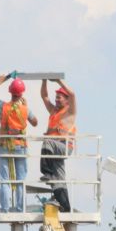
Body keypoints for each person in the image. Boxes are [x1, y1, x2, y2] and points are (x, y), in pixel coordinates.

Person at [0, 74, 38, 212]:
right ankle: (20, 209)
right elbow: (35, 122)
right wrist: (26, 106)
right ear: (21, 93)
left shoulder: (2, 106)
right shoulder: (25, 109)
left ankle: (6, 209)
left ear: (10, 92)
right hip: (20, 146)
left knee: (5, 179)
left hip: (5, 146)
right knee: (20, 180)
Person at [39, 78, 76, 212]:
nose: (56, 100)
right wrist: (44, 81)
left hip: (63, 147)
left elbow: (72, 95)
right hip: (54, 150)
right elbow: (44, 96)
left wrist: (59, 81)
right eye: (56, 97)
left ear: (66, 100)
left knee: (47, 141)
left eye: (59, 97)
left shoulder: (70, 112)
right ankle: (65, 206)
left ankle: (46, 171)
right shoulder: (54, 111)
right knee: (58, 179)